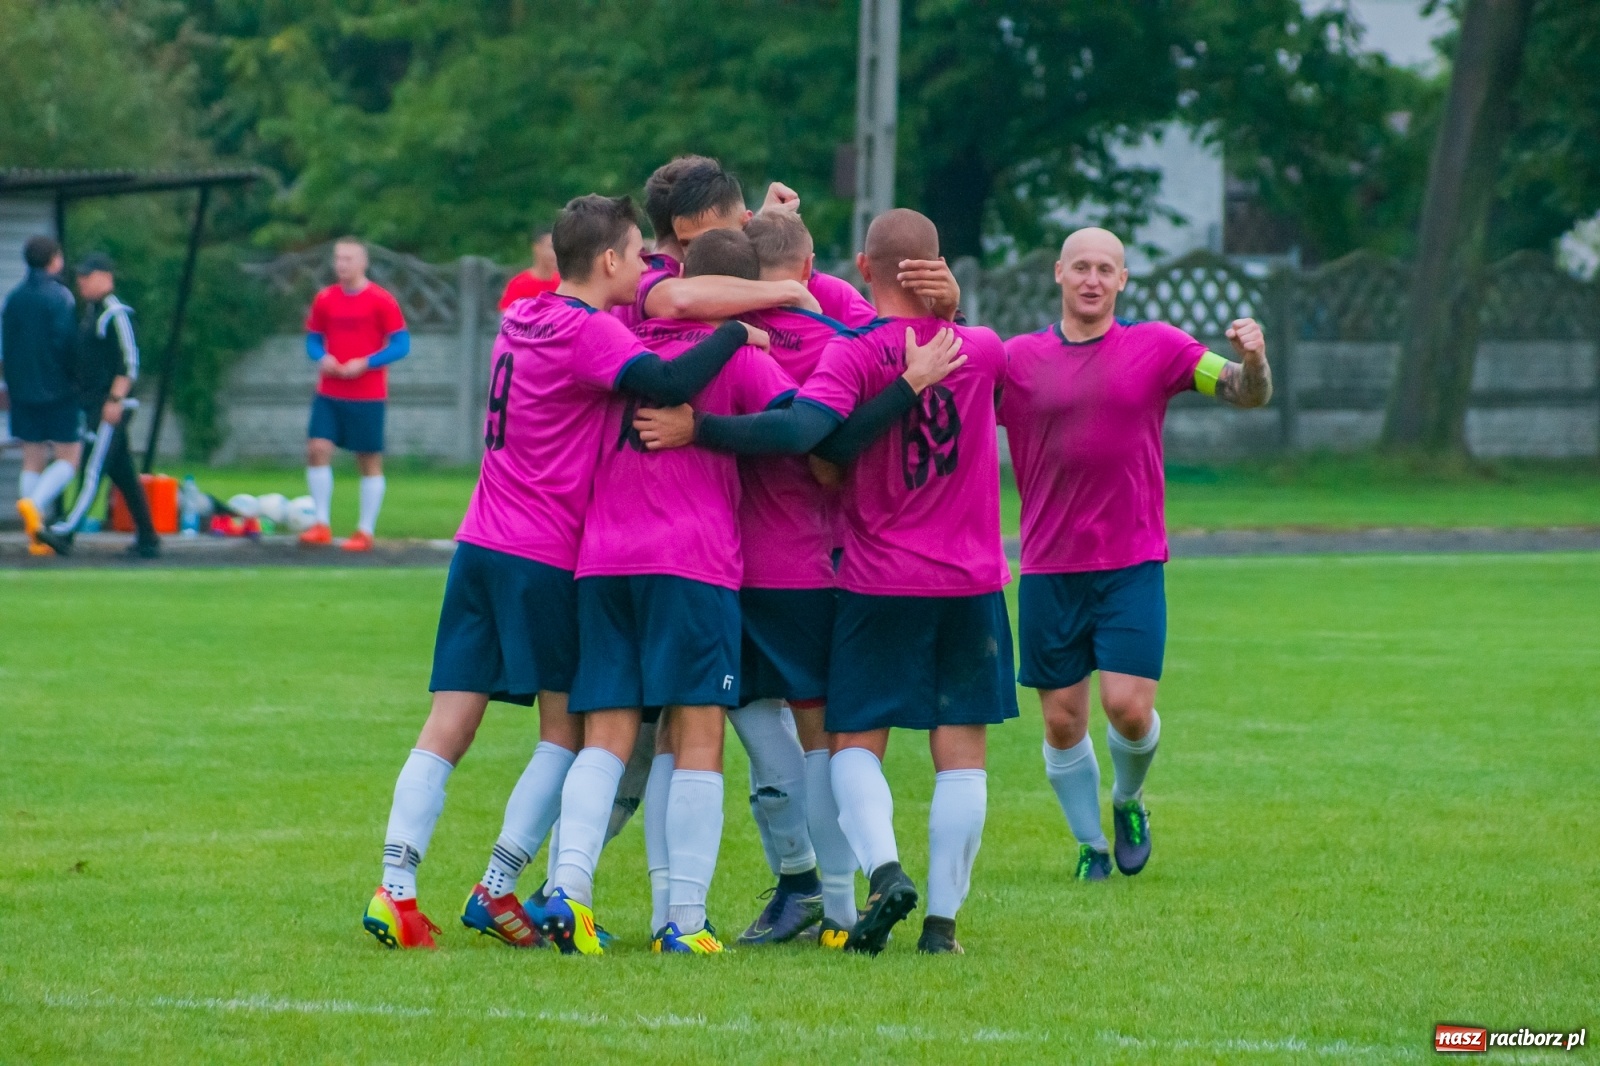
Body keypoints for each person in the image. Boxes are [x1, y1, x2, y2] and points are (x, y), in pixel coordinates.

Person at [362, 194, 763, 951]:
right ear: (609, 261)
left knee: (450, 721)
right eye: (639, 253)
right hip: (542, 553)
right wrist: (739, 331)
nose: (647, 266)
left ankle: (396, 887)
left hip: (478, 541)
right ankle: (499, 883)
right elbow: (671, 385)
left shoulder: (518, 315)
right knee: (567, 734)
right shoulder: (590, 333)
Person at [632, 209, 1012, 957]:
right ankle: (936, 926)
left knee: (835, 746)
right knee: (958, 754)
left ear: (864, 271)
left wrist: (697, 429)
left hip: (849, 577)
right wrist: (951, 317)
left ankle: (851, 881)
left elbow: (816, 441)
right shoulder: (987, 348)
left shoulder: (848, 353)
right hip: (963, 580)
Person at [540, 228, 797, 957]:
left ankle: (570, 890)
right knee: (697, 737)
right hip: (691, 561)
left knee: (610, 737)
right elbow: (799, 428)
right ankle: (682, 919)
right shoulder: (738, 352)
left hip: (603, 560)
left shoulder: (617, 330)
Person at [1000, 227, 1271, 882]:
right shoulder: (1015, 360)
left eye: (1106, 269)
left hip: (1131, 561)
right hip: (1048, 565)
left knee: (1128, 708)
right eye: (1082, 267)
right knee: (1064, 722)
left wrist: (1256, 361)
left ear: (1122, 281)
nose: (1092, 279)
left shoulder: (1160, 348)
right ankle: (1091, 846)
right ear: (1059, 274)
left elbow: (1244, 391)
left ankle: (1128, 801)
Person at [722, 210, 866, 949]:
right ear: (812, 270)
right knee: (821, 738)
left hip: (731, 564)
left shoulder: (720, 340)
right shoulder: (847, 345)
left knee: (752, 723)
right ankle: (827, 901)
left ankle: (807, 883)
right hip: (819, 563)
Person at [32, 253, 160, 559]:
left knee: (91, 469)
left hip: (110, 405)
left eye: (86, 277)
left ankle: (66, 531)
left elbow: (129, 362)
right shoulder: (92, 313)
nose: (81, 283)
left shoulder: (116, 313)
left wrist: (115, 399)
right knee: (124, 475)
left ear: (105, 277)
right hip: (95, 404)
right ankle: (148, 538)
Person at [300, 237, 410, 552]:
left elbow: (401, 345)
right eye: (338, 259)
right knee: (317, 448)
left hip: (368, 395)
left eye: (348, 259)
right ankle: (320, 523)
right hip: (329, 391)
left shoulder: (381, 300)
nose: (341, 265)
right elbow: (313, 341)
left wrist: (367, 362)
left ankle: (364, 530)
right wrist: (324, 359)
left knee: (368, 459)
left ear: (363, 263)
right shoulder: (325, 299)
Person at [2, 236, 80, 555]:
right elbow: (67, 344)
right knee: (69, 457)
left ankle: (35, 536)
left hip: (21, 391)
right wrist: (77, 380)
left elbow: (7, 345)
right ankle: (32, 505)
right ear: (54, 260)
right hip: (58, 390)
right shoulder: (60, 296)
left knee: (31, 458)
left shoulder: (14, 298)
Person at [497, 226, 561, 311]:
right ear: (536, 248)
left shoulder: (562, 283)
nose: (556, 253)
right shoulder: (519, 284)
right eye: (551, 247)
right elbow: (506, 317)